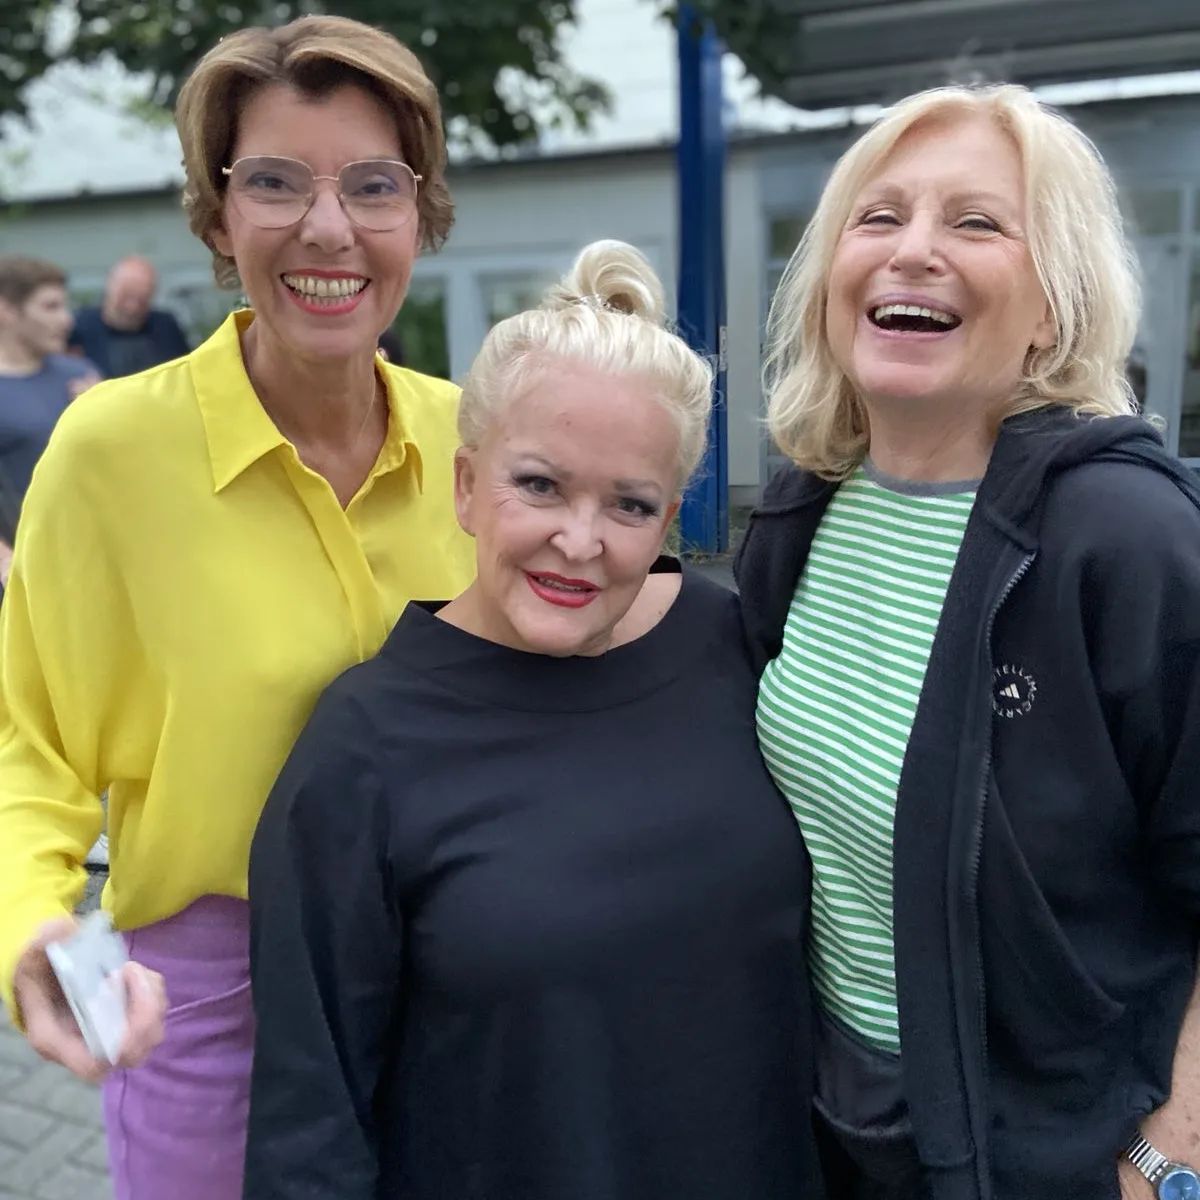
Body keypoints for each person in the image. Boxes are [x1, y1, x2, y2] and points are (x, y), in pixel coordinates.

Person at [0, 15, 474, 1200]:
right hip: (206, 1010)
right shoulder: (112, 451)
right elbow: (31, 745)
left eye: (374, 184)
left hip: (462, 988)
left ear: (420, 215)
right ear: (216, 216)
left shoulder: (479, 441)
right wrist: (37, 931)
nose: (328, 227)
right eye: (272, 181)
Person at [243, 241, 820, 1200]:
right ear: (466, 487)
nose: (579, 541)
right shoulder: (366, 744)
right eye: (541, 486)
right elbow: (313, 1113)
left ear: (672, 514)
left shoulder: (734, 646)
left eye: (629, 504)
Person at [736, 83, 1200, 1199]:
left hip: (1050, 1152)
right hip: (830, 1119)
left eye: (977, 223)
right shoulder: (803, 514)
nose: (914, 253)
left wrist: (1173, 1150)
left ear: (1053, 305)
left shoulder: (1126, 538)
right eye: (879, 217)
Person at [0, 255, 99, 574]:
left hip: (88, 562)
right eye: (50, 307)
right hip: (21, 573)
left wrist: (102, 413)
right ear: (7, 311)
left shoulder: (81, 376)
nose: (66, 320)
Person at [69, 255, 190, 376]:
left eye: (141, 299)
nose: (132, 307)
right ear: (110, 287)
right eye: (126, 296)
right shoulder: (80, 326)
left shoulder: (166, 328)